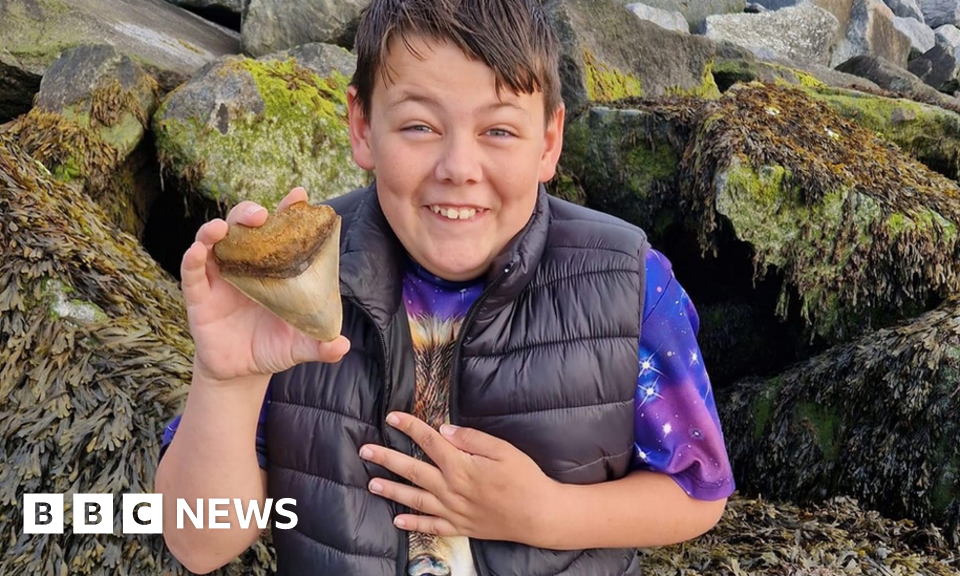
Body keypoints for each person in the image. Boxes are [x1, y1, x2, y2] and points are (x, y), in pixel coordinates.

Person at [155, 0, 735, 574]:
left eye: (500, 129)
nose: (459, 166)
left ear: (549, 140)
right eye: (419, 126)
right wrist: (226, 380)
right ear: (362, 127)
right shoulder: (294, 285)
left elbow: (696, 490)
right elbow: (199, 543)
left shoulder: (630, 282)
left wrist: (546, 514)